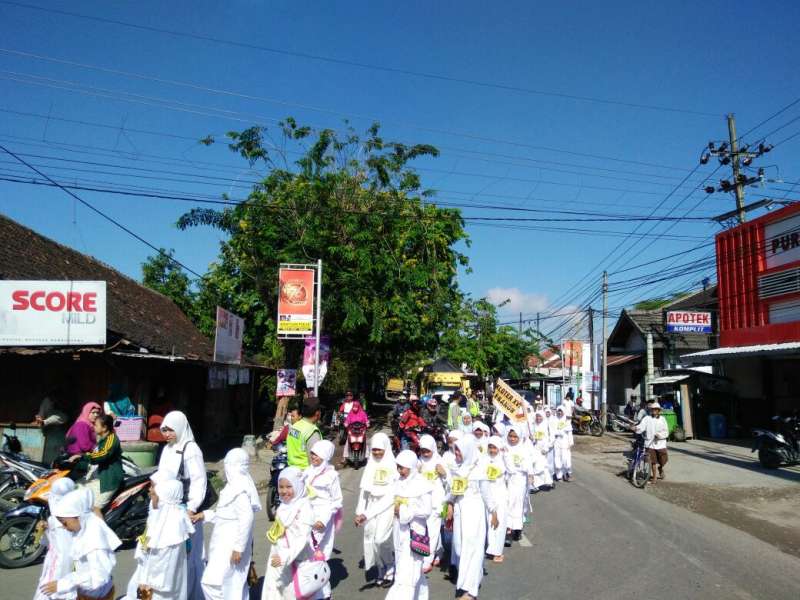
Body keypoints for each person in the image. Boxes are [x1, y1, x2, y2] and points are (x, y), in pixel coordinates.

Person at [194, 448, 261, 600]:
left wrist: (239, 548)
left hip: (232, 544)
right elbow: (224, 514)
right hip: (223, 543)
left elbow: (247, 518)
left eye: (228, 464)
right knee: (233, 585)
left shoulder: (239, 489)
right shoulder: (232, 487)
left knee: (215, 584)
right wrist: (204, 515)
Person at [157, 411, 207, 600]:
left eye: (170, 430)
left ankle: (192, 593)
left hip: (185, 509)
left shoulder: (190, 449)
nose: (167, 434)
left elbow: (198, 480)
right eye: (164, 430)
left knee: (190, 554)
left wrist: (192, 507)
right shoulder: (168, 448)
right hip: (167, 507)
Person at [39, 487, 121, 600]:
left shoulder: (94, 541)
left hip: (97, 596)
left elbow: (98, 578)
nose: (64, 527)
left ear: (78, 517)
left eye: (65, 523)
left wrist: (64, 584)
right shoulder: (83, 530)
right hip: (87, 593)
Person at [125, 475, 194, 600]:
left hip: (157, 586)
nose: (150, 492)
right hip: (157, 579)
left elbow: (161, 564)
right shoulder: (168, 516)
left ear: (164, 498)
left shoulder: (169, 527)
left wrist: (145, 581)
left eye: (155, 494)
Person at [446, 435, 497, 600]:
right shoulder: (457, 468)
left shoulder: (479, 469)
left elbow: (487, 493)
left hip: (474, 512)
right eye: (456, 450)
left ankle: (471, 590)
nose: (457, 454)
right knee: (460, 548)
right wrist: (450, 505)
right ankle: (472, 576)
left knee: (473, 549)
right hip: (460, 511)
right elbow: (453, 491)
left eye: (459, 451)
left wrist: (494, 512)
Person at [261, 466, 316, 600]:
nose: (284, 491)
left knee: (295, 592)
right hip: (278, 559)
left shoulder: (304, 507)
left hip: (298, 559)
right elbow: (279, 531)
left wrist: (285, 556)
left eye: (289, 486)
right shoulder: (283, 507)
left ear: (297, 486)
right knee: (275, 591)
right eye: (281, 487)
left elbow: (302, 538)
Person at [385, 450, 433, 600]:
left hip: (415, 533)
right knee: (411, 571)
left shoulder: (422, 484)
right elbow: (386, 501)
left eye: (403, 467)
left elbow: (426, 510)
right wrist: (365, 515)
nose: (400, 471)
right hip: (400, 532)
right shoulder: (398, 481)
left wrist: (405, 510)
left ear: (411, 467)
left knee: (405, 576)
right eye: (398, 467)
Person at [354, 432, 397, 587]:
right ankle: (381, 568)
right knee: (371, 539)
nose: (377, 453)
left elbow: (392, 493)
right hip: (371, 505)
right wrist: (360, 511)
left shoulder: (393, 465)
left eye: (380, 449)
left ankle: (391, 565)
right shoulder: (370, 465)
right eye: (374, 449)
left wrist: (367, 513)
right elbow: (364, 491)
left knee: (381, 539)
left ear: (386, 448)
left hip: (387, 506)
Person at [305, 440, 342, 600]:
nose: (313, 457)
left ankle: (324, 594)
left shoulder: (332, 475)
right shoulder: (306, 471)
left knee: (315, 553)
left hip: (322, 518)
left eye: (317, 454)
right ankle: (315, 591)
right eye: (312, 453)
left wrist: (324, 520)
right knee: (311, 554)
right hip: (307, 515)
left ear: (325, 456)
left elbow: (336, 501)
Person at [70, 414, 123, 514]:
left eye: (96, 425)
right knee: (75, 490)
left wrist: (83, 456)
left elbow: (102, 455)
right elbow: (92, 459)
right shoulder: (102, 440)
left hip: (108, 480)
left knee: (94, 508)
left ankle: (100, 529)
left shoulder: (111, 439)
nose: (93, 427)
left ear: (104, 427)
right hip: (97, 478)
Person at [33, 477, 76, 600]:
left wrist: (59, 582)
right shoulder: (62, 517)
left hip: (58, 568)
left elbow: (65, 555)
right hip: (54, 562)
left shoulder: (62, 521)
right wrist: (47, 527)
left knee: (47, 594)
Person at [417, 434, 448, 572]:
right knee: (425, 530)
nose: (425, 453)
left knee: (433, 531)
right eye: (422, 450)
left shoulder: (439, 461)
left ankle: (427, 560)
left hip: (436, 502)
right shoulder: (418, 462)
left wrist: (444, 474)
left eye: (427, 450)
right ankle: (439, 551)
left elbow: (449, 482)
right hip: (422, 502)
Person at [505, 425, 533, 543]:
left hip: (520, 480)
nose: (512, 439)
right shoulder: (504, 448)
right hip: (506, 480)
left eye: (515, 437)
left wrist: (530, 475)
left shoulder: (523, 449)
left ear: (519, 437)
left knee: (518, 503)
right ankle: (508, 530)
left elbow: (528, 464)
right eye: (510, 436)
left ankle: (517, 528)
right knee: (508, 503)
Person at [483, 436, 508, 564]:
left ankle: (497, 550)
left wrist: (506, 455)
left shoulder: (504, 459)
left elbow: (511, 470)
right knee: (487, 521)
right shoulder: (484, 459)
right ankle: (488, 547)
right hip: (486, 494)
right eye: (490, 447)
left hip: (499, 494)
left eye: (495, 448)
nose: (492, 450)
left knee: (499, 521)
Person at [635, 402, 669, 483]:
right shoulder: (647, 418)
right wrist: (635, 428)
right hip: (649, 444)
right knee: (652, 461)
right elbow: (641, 427)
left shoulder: (663, 419)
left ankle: (660, 468)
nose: (654, 411)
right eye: (652, 409)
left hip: (660, 444)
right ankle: (654, 478)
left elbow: (666, 432)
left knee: (663, 460)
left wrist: (659, 435)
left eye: (655, 409)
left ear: (658, 411)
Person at [34, 391, 68, 465]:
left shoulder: (60, 414)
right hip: (46, 443)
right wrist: (39, 421)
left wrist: (44, 422)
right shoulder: (46, 403)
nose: (50, 404)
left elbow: (59, 418)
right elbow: (41, 415)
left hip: (56, 443)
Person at [287, 401, 323, 469]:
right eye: (320, 411)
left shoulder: (295, 426)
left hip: (291, 470)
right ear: (317, 413)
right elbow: (315, 461)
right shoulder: (312, 431)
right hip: (305, 474)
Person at [341, 400, 370, 467]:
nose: (355, 408)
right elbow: (347, 420)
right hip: (352, 430)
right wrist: (346, 423)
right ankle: (344, 457)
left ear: (358, 406)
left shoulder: (362, 413)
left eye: (356, 406)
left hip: (361, 430)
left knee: (365, 443)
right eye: (354, 406)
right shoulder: (350, 413)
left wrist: (367, 423)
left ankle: (368, 457)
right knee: (347, 442)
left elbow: (366, 419)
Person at [553, 406, 573, 482]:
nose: (560, 413)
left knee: (566, 459)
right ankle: (559, 475)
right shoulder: (554, 420)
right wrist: (558, 433)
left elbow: (570, 433)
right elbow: (552, 431)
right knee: (557, 458)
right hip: (557, 441)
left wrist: (570, 443)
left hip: (565, 441)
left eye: (561, 411)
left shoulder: (567, 421)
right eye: (558, 411)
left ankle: (567, 473)